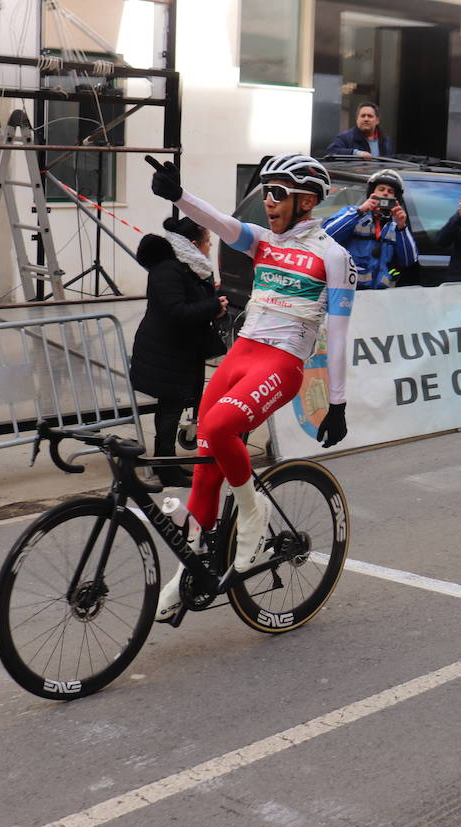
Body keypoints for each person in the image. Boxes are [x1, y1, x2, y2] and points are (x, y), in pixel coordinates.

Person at [148, 153, 355, 610]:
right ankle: (189, 573)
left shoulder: (333, 256)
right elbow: (220, 222)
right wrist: (178, 195)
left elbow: (338, 335)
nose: (269, 203)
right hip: (241, 354)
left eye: (278, 194)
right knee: (205, 461)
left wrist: (336, 403)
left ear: (307, 200)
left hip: (280, 364)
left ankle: (253, 515)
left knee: (220, 427)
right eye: (266, 193)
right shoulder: (262, 241)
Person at [130, 215, 228, 487]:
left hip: (181, 350)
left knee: (171, 406)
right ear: (194, 244)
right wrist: (212, 306)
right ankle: (166, 467)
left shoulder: (190, 268)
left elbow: (195, 303)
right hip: (165, 352)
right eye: (208, 241)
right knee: (170, 407)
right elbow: (177, 311)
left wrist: (214, 304)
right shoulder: (168, 270)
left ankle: (168, 463)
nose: (210, 246)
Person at [323, 168, 417, 289]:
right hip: (348, 292)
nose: (385, 193)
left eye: (390, 191)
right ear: (372, 193)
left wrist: (402, 227)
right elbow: (327, 237)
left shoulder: (396, 227)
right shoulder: (353, 214)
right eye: (381, 189)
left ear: (396, 197)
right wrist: (359, 211)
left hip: (380, 297)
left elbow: (409, 260)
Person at [325, 102, 393, 158]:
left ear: (377, 120)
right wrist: (356, 153)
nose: (366, 119)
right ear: (357, 119)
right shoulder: (345, 137)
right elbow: (331, 151)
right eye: (363, 116)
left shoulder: (385, 141)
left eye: (370, 116)